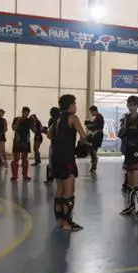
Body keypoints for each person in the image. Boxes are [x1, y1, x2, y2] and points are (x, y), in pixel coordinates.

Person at [50, 95, 87, 231]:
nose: (76, 106)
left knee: (59, 189)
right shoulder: (73, 118)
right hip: (67, 158)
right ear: (71, 105)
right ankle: (67, 223)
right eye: (75, 104)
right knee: (69, 191)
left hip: (55, 157)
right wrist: (82, 145)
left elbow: (49, 135)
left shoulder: (56, 119)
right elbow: (83, 136)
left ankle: (60, 220)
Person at [119, 95, 138, 217]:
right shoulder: (125, 119)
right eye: (129, 105)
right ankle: (131, 207)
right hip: (129, 151)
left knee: (135, 182)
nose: (131, 107)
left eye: (133, 105)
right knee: (130, 182)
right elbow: (122, 134)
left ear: (137, 105)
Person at [10, 106, 34, 182]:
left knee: (25, 158)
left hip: (26, 140)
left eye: (28, 112)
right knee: (16, 158)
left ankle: (25, 175)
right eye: (25, 112)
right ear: (22, 112)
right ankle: (14, 176)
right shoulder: (16, 119)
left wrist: (35, 122)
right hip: (18, 140)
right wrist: (18, 122)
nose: (26, 114)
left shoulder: (29, 120)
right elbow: (14, 128)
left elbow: (34, 130)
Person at [85, 106, 105, 174]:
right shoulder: (97, 117)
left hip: (98, 135)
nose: (91, 114)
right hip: (96, 134)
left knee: (93, 149)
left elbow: (95, 127)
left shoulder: (99, 117)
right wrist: (89, 123)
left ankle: (94, 161)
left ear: (94, 111)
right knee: (91, 148)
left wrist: (88, 125)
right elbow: (94, 125)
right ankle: (94, 161)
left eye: (91, 112)